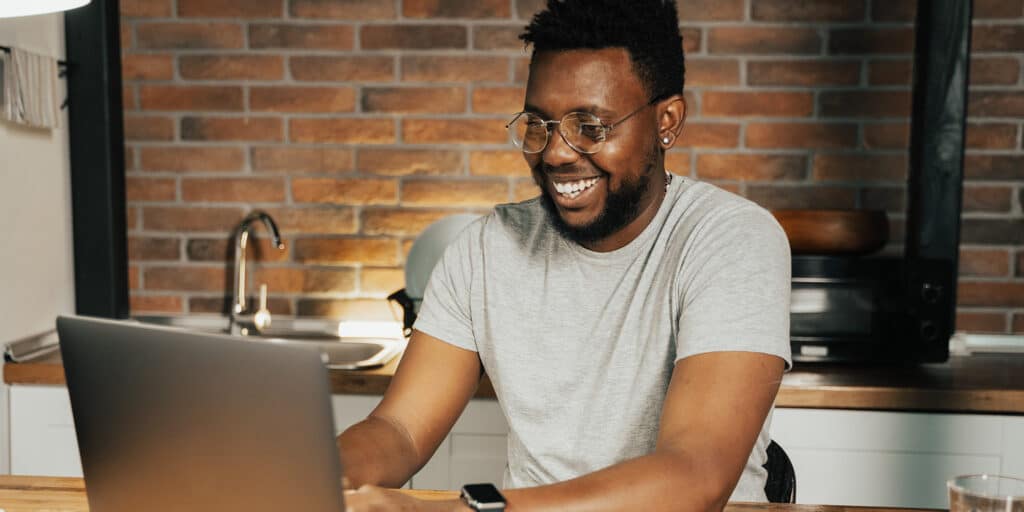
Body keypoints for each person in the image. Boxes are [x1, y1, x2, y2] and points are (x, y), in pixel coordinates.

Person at [340, 0, 791, 510]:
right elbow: (398, 428)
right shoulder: (486, 249)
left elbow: (694, 477)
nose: (555, 152)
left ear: (667, 121)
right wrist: (317, 476)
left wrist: (458, 511)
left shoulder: (731, 239)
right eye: (539, 124)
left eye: (590, 127)